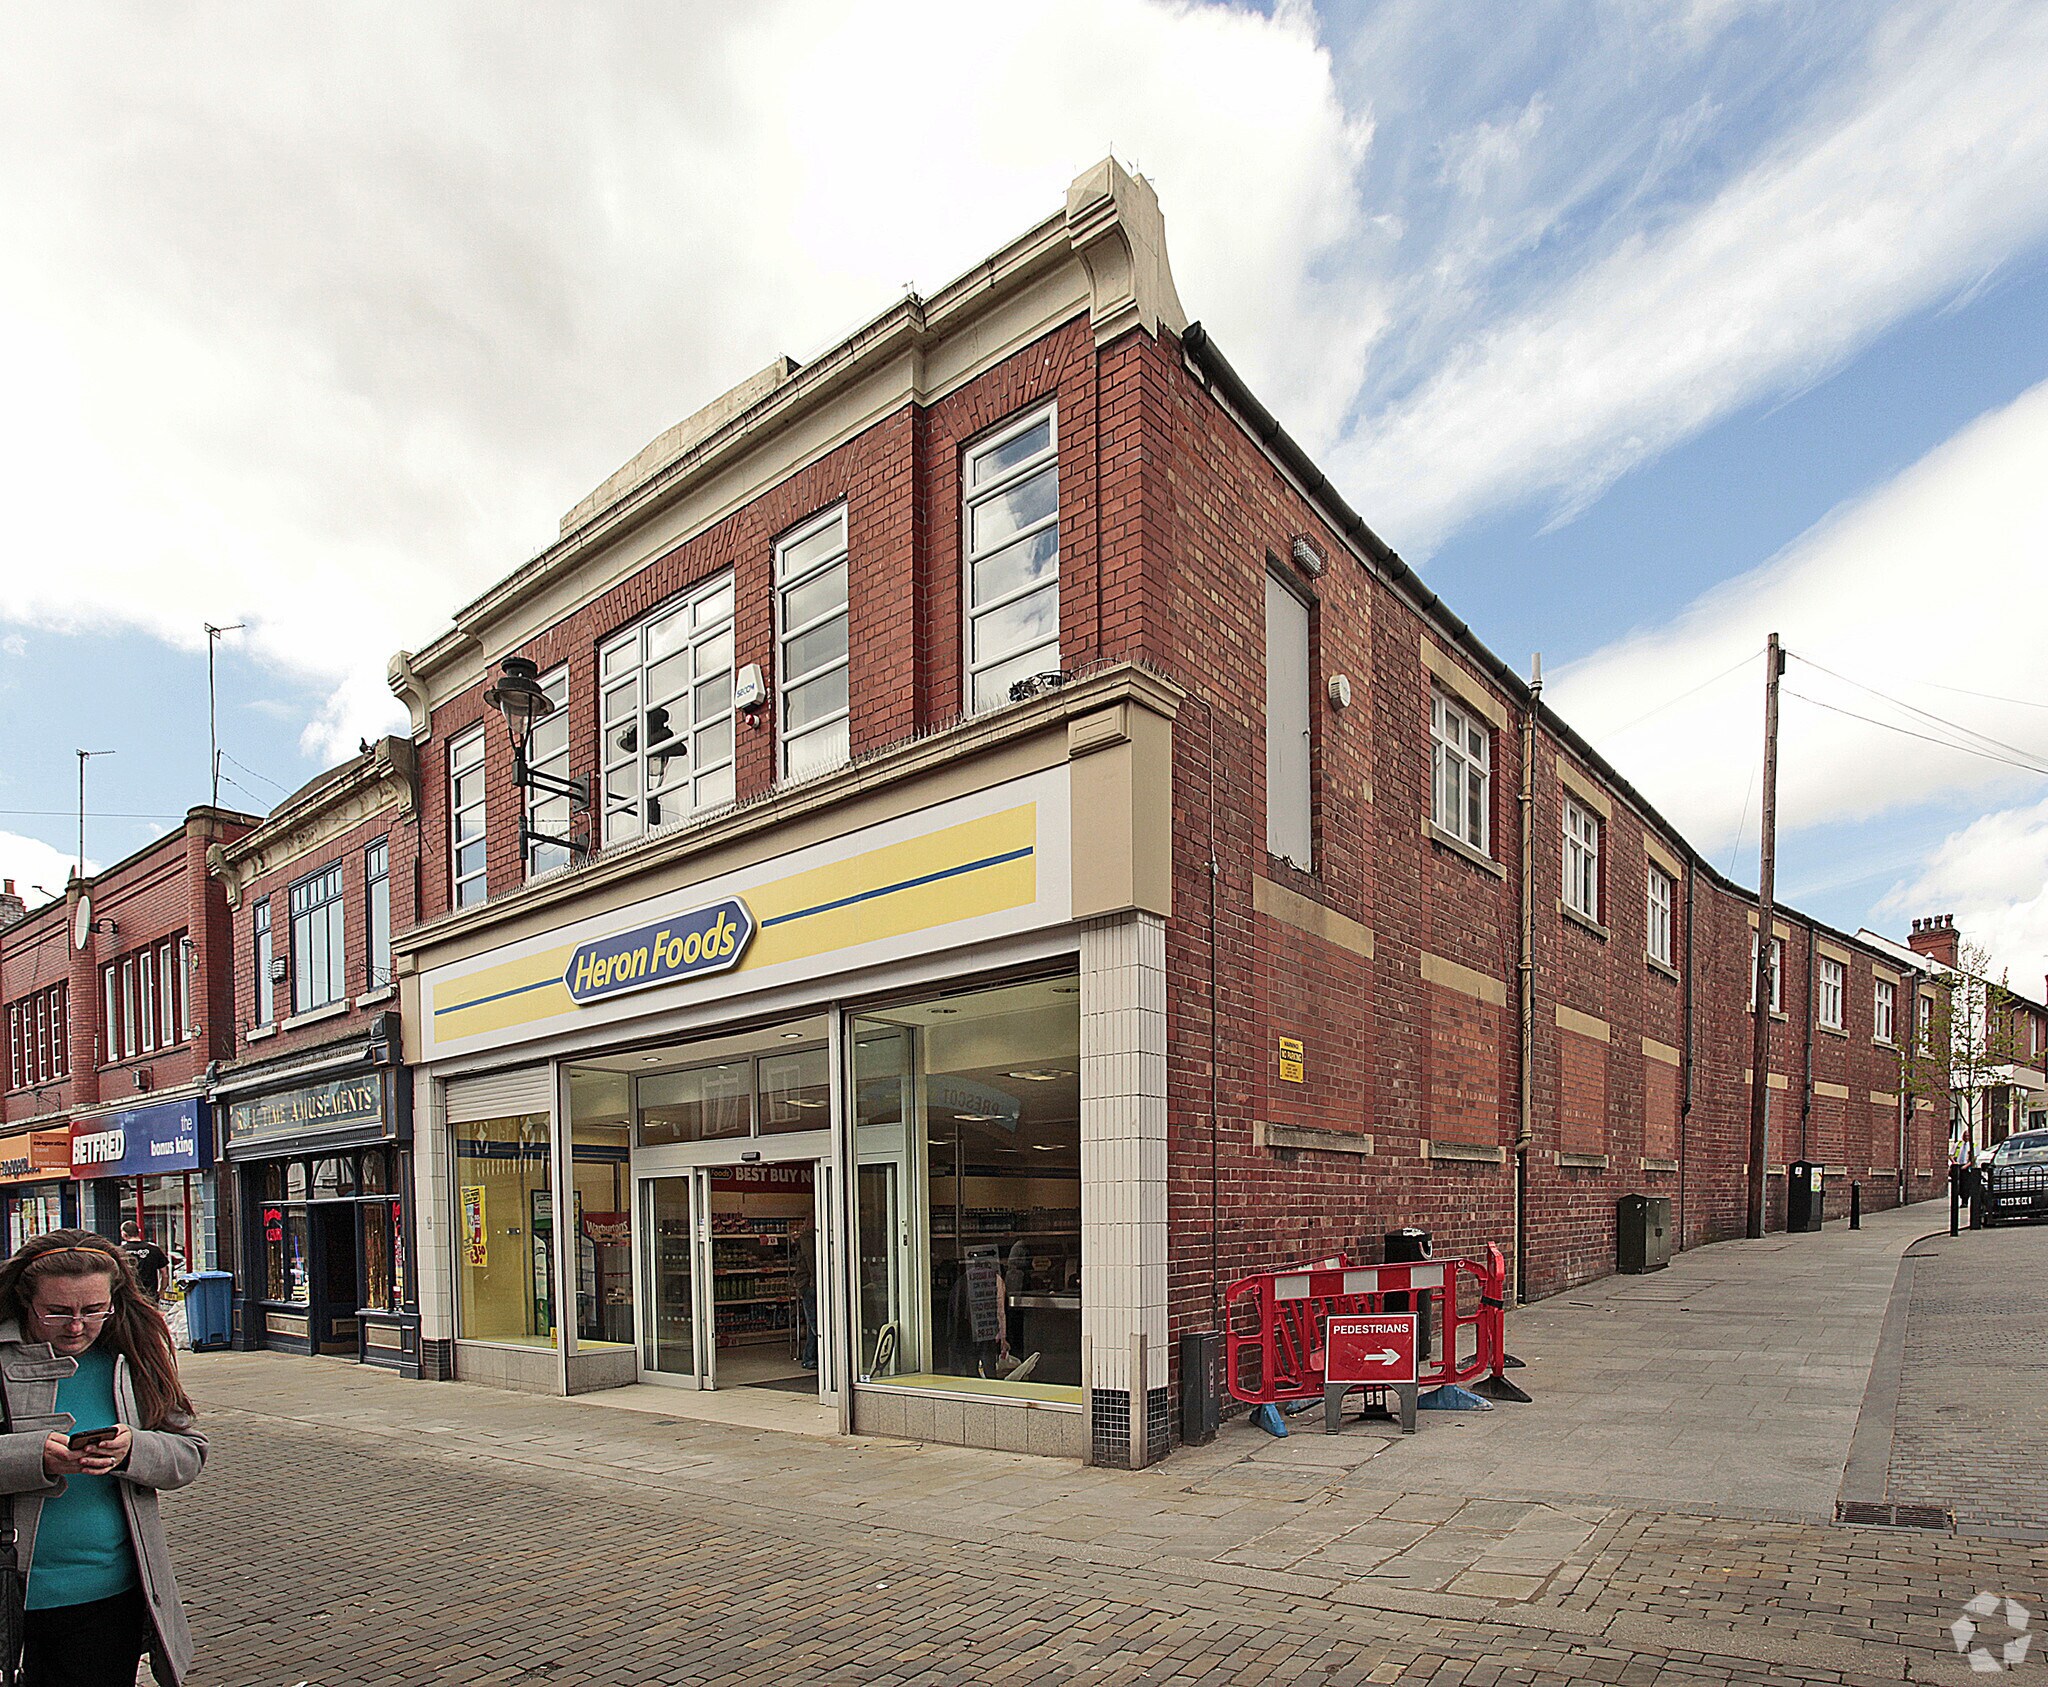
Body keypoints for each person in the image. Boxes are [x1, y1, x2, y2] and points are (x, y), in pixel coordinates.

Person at [0, 1229, 206, 1687]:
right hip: (11, 1598)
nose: (77, 1327)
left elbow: (191, 1452)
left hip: (107, 1598)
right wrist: (33, 1456)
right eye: (57, 1312)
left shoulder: (131, 1357)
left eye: (94, 1310)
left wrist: (135, 1447)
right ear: (24, 1299)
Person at [117, 1222, 170, 1304]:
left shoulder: (120, 1252)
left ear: (124, 1234)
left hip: (129, 1296)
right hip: (150, 1295)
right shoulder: (154, 1249)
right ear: (139, 1231)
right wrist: (162, 1291)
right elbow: (165, 1274)